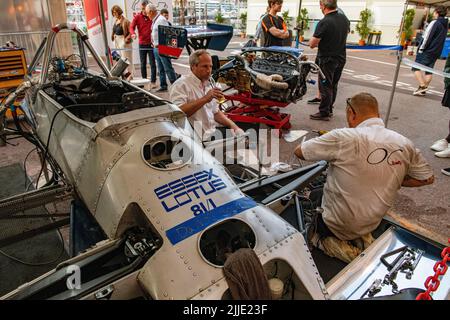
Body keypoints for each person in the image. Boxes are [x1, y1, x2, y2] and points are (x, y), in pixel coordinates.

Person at [294, 92, 434, 263]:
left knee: (313, 198)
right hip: (372, 222)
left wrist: (328, 142)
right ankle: (362, 238)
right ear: (378, 115)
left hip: (338, 223)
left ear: (351, 113)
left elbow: (299, 151)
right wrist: (392, 178)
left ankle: (325, 242)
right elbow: (426, 178)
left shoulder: (343, 137)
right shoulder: (404, 143)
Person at [170, 49, 243, 141]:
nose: (209, 70)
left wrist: (234, 127)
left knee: (245, 133)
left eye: (210, 66)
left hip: (211, 132)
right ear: (193, 67)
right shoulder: (181, 85)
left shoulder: (209, 83)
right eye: (204, 66)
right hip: (195, 138)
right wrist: (205, 99)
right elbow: (177, 114)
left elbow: (215, 112)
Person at [308, 0, 350, 121]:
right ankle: (329, 109)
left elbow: (312, 44)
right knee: (334, 84)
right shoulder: (344, 19)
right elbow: (345, 33)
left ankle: (324, 112)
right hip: (341, 57)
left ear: (323, 6)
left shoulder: (325, 21)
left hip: (327, 58)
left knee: (325, 85)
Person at [412, 6, 448, 96]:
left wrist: (421, 48)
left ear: (436, 12)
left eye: (434, 12)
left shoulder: (435, 22)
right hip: (436, 51)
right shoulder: (445, 24)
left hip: (427, 50)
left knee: (415, 67)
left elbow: (427, 37)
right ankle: (423, 90)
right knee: (428, 70)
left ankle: (422, 86)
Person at [146, 4, 178, 92]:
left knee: (167, 67)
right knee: (160, 68)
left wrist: (166, 47)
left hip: (162, 47)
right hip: (156, 47)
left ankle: (176, 86)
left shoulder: (161, 20)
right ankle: (163, 85)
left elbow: (168, 34)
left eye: (147, 13)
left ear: (151, 12)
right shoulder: (155, 20)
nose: (147, 15)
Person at [130, 0, 157, 89]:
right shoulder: (137, 17)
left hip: (151, 44)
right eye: (142, 8)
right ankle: (144, 81)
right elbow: (131, 27)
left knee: (153, 63)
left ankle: (153, 82)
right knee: (143, 64)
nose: (143, 10)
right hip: (142, 44)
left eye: (144, 9)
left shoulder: (151, 17)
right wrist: (133, 33)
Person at [111, 5, 133, 79]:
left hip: (124, 42)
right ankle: (125, 75)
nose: (114, 14)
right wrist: (113, 37)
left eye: (116, 12)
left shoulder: (126, 21)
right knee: (120, 60)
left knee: (127, 59)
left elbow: (131, 31)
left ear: (119, 11)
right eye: (113, 13)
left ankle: (130, 75)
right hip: (117, 42)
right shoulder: (116, 21)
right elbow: (114, 31)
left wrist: (126, 39)